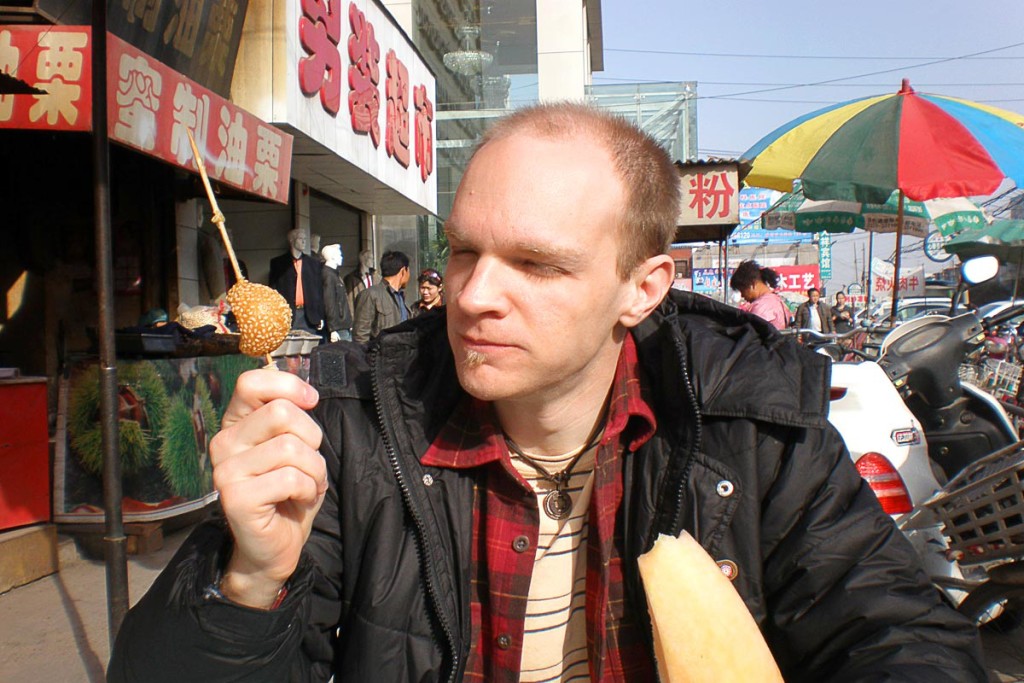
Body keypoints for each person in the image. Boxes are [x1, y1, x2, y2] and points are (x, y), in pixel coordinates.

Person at [109, 103, 984, 682]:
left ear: (641, 288)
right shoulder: (348, 427)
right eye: (463, 251)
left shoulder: (749, 419)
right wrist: (251, 579)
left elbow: (898, 633)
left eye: (536, 263)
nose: (476, 293)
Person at [268, 228, 324, 335]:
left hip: (309, 316)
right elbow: (273, 291)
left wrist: (320, 315)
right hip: (287, 315)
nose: (304, 241)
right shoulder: (278, 263)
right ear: (292, 241)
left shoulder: (313, 263)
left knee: (309, 349)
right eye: (300, 238)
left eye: (305, 239)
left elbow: (319, 291)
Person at [351, 250, 411, 342]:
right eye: (409, 270)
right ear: (403, 271)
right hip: (381, 354)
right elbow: (360, 336)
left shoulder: (401, 297)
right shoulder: (370, 295)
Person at [728, 260, 792, 330]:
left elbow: (751, 333)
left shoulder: (762, 306)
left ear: (752, 285)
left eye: (742, 291)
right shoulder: (776, 300)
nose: (743, 296)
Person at [320, 244, 353, 342]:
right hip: (339, 325)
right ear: (333, 257)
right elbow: (329, 302)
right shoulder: (328, 275)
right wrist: (333, 329)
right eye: (340, 255)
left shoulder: (334, 275)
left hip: (342, 324)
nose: (342, 257)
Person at [343, 248, 376, 316]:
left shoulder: (376, 276)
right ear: (363, 259)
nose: (373, 261)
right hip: (360, 315)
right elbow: (350, 301)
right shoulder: (351, 278)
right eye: (370, 258)